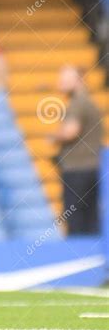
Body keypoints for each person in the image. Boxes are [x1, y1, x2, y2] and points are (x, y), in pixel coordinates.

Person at [52, 66, 103, 235]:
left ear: (77, 81)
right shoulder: (88, 101)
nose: (60, 83)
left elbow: (71, 131)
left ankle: (79, 255)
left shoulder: (78, 102)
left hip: (77, 169)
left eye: (64, 79)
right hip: (92, 167)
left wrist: (54, 136)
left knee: (75, 219)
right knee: (90, 218)